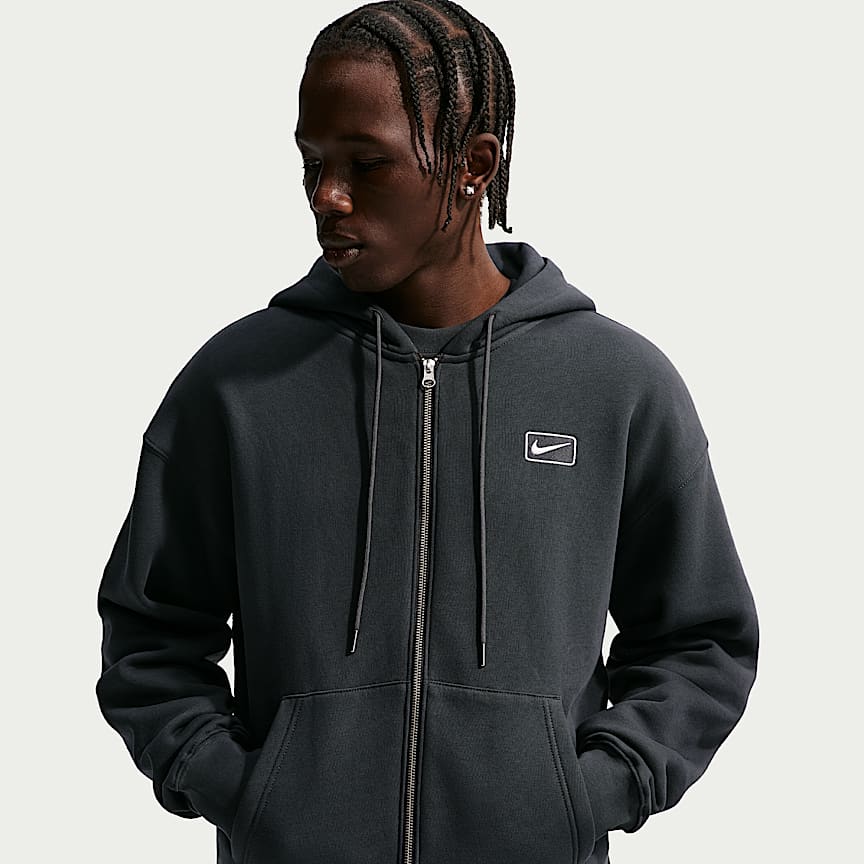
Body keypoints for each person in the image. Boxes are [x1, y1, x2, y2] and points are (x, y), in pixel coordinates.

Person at [95, 2, 760, 863]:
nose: (327, 197)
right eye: (311, 163)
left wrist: (584, 796)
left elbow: (700, 640)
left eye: (367, 164)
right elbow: (150, 634)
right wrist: (243, 792)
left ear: (473, 165)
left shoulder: (616, 386)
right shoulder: (239, 385)